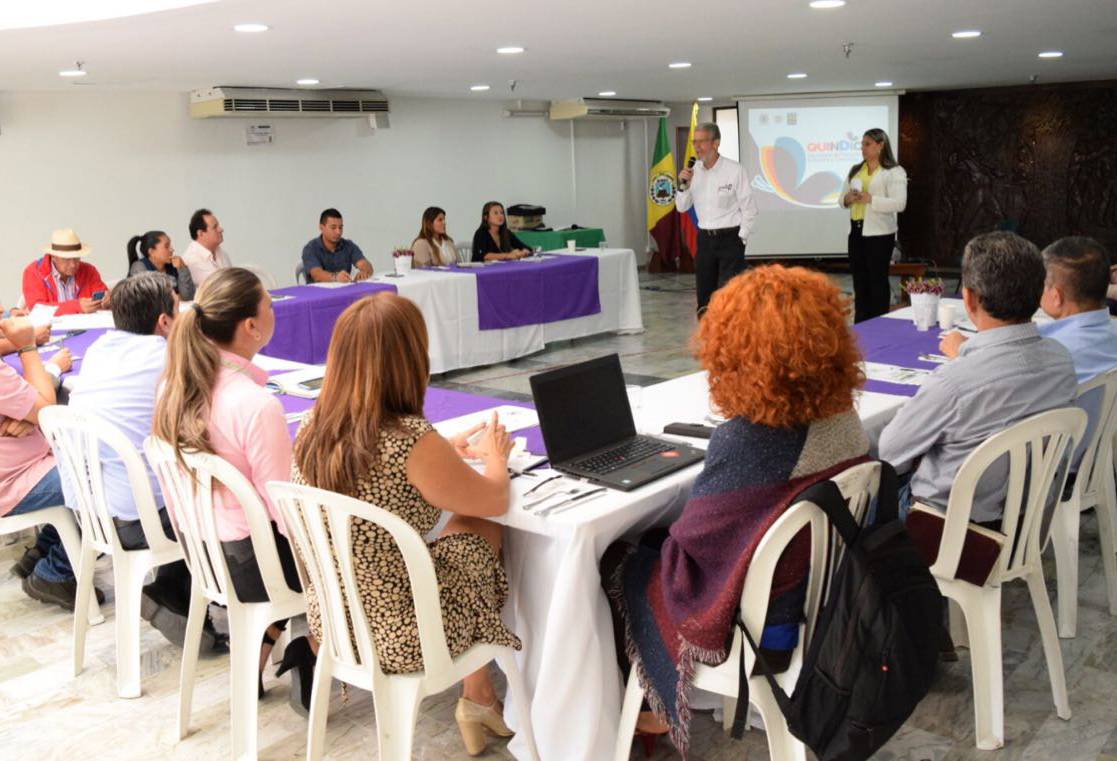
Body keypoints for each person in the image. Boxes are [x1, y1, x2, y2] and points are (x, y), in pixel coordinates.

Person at [603, 265, 870, 754]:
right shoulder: (842, 417)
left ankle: (635, 709)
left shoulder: (748, 441)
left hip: (768, 615)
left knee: (619, 557)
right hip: (825, 593)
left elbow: (692, 543)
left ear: (736, 353)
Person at [291, 292, 520, 754]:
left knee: (450, 541)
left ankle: (480, 696)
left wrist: (443, 454)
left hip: (335, 623)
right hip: (404, 635)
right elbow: (494, 498)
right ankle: (483, 691)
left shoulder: (314, 425)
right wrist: (497, 458)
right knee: (478, 525)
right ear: (410, 358)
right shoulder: (409, 437)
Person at [152, 267, 300, 689]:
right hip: (254, 567)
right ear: (251, 326)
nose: (275, 310)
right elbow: (282, 509)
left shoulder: (173, 386)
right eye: (270, 304)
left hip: (205, 554)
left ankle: (269, 648)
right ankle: (311, 652)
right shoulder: (253, 403)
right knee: (344, 540)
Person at [66, 272, 221, 649]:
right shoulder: (166, 358)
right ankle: (210, 596)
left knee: (170, 475)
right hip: (139, 521)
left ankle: (173, 588)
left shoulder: (101, 350)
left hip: (92, 511)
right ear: (165, 322)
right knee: (217, 494)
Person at [879, 231, 1078, 523]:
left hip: (948, 529)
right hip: (1028, 516)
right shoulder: (1061, 359)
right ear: (1038, 296)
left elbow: (889, 453)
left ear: (969, 298)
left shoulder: (954, 382)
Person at [0, 314, 98, 609]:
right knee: (103, 478)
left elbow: (38, 410)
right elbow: (47, 411)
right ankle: (56, 572)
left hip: (21, 463)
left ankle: (44, 548)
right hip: (14, 479)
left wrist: (26, 413)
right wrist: (27, 347)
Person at [676, 122, 759, 315]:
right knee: (705, 292)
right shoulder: (692, 172)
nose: (697, 147)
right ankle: (708, 337)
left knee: (729, 294)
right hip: (705, 239)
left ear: (716, 143)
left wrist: (742, 237)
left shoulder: (734, 170)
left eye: (702, 141)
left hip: (731, 239)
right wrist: (683, 186)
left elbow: (750, 209)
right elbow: (681, 207)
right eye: (695, 142)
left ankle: (733, 337)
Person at [838, 128, 908, 323]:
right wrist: (848, 198)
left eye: (867, 144)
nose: (863, 148)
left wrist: (871, 199)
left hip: (880, 234)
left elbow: (900, 204)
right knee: (859, 282)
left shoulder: (894, 172)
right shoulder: (856, 170)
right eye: (862, 144)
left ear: (880, 146)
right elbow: (841, 200)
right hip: (857, 231)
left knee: (877, 281)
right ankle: (861, 325)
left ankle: (879, 324)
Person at [22, 229, 111, 315]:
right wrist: (77, 306)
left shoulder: (89, 271)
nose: (73, 264)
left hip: (87, 328)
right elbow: (37, 309)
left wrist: (108, 300)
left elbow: (103, 296)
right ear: (53, 256)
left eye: (76, 257)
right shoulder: (33, 272)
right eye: (66, 259)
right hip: (49, 329)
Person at [301, 208, 373, 282]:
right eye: (333, 227)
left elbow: (364, 263)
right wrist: (336, 277)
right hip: (319, 292)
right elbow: (317, 274)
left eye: (340, 227)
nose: (338, 232)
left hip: (344, 291)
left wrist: (364, 271)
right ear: (321, 227)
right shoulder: (310, 248)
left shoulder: (348, 245)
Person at [126, 230, 196, 300]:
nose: (172, 249)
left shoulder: (173, 266)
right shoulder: (139, 267)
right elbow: (151, 301)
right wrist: (177, 297)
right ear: (151, 252)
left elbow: (188, 297)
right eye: (166, 246)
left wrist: (182, 268)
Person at [181, 208, 232, 287]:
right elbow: (221, 287)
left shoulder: (222, 253)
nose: (221, 229)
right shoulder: (191, 260)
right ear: (201, 233)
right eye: (215, 227)